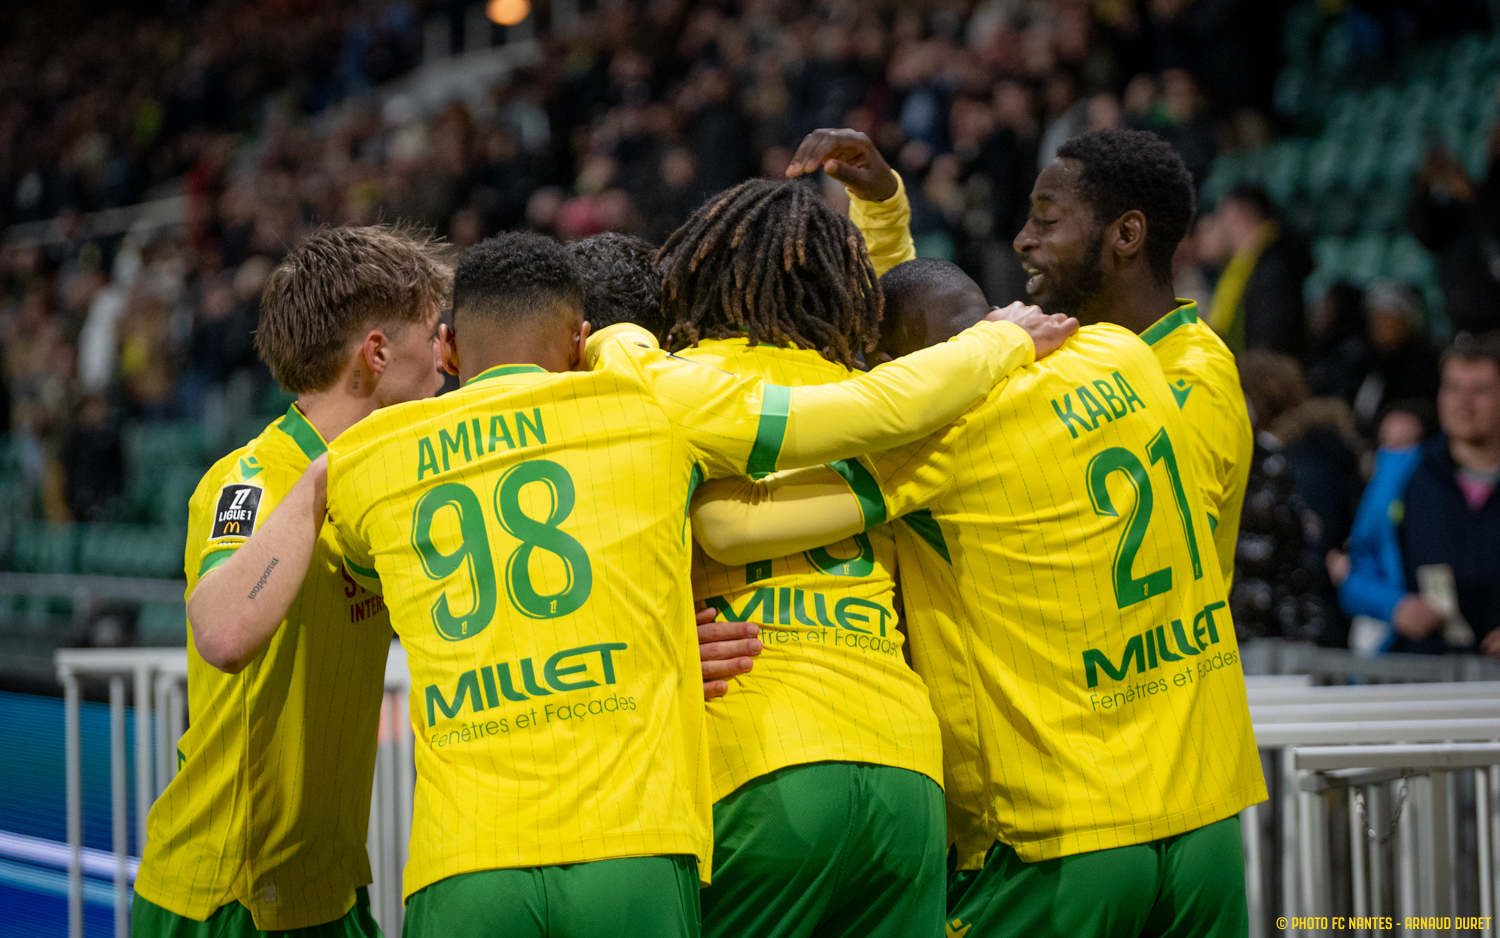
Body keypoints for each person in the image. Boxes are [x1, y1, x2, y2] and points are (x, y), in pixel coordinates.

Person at [322, 231, 1075, 938]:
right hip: (781, 802)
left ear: (449, 346)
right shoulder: (656, 409)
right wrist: (990, 339)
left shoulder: (374, 457)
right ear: (580, 339)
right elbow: (871, 405)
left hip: (491, 852)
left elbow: (342, 583)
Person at [692, 284, 1266, 938]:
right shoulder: (1121, 352)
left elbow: (729, 526)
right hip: (1208, 810)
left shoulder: (941, 432)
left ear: (899, 368)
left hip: (1063, 829)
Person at [659, 178, 1024, 938]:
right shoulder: (886, 394)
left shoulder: (679, 392)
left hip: (757, 761)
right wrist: (886, 211)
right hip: (904, 766)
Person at [131, 225, 451, 937]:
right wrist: (317, 485)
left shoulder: (388, 489)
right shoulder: (250, 479)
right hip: (227, 898)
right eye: (434, 335)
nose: (446, 357)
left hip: (329, 887)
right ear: (376, 353)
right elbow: (223, 633)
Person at [791, 126, 1252, 588]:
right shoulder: (1072, 346)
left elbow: (1165, 568)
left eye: (1047, 222)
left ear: (1126, 234)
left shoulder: (1192, 376)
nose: (1022, 240)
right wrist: (882, 207)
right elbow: (920, 339)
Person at [1339, 333, 1500, 658]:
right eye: (1452, 388)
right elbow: (1355, 571)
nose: (1463, 402)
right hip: (1420, 672)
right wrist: (1395, 606)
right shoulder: (1402, 470)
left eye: (1480, 390)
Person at [1204, 184, 1313, 358]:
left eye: (1223, 215)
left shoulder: (1275, 265)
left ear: (1244, 214)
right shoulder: (1243, 264)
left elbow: (1268, 337)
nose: (1220, 223)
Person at [1347, 280, 1442, 438]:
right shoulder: (1363, 360)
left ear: (1406, 321)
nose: (1379, 326)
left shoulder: (1424, 363)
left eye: (1387, 318)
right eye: (1375, 318)